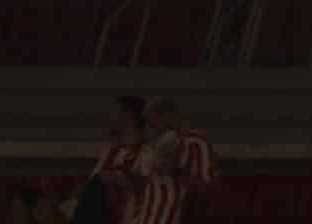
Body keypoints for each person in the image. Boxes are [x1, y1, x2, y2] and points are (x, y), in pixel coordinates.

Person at [124, 97, 217, 224]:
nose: (151, 129)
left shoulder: (195, 144)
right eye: (149, 124)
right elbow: (138, 190)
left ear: (168, 118)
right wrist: (139, 173)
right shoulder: (148, 146)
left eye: (154, 124)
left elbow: (206, 189)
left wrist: (175, 171)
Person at [66, 95, 147, 224]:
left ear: (127, 116)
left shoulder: (147, 152)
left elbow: (147, 189)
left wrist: (119, 178)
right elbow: (93, 188)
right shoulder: (109, 153)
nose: (110, 118)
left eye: (115, 113)